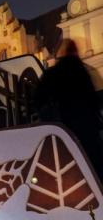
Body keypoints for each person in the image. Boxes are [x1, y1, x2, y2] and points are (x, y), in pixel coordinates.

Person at [35, 39, 103, 175]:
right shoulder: (86, 72)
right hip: (88, 128)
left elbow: (38, 99)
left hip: (62, 129)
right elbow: (96, 100)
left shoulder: (52, 74)